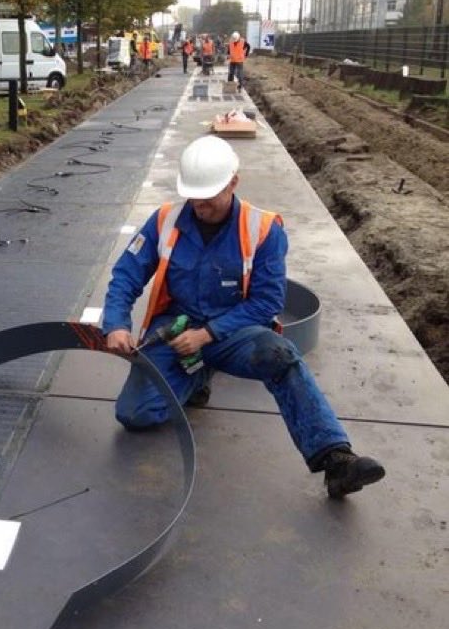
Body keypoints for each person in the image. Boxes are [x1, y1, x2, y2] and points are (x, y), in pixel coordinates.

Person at [102, 136, 386, 499]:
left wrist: (208, 335)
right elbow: (127, 273)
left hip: (232, 331)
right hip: (175, 329)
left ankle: (335, 459)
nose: (200, 205)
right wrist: (116, 324)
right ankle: (196, 373)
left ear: (234, 181)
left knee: (280, 356)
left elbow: (267, 300)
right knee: (134, 414)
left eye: (209, 196)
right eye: (195, 197)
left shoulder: (264, 229)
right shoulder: (164, 221)